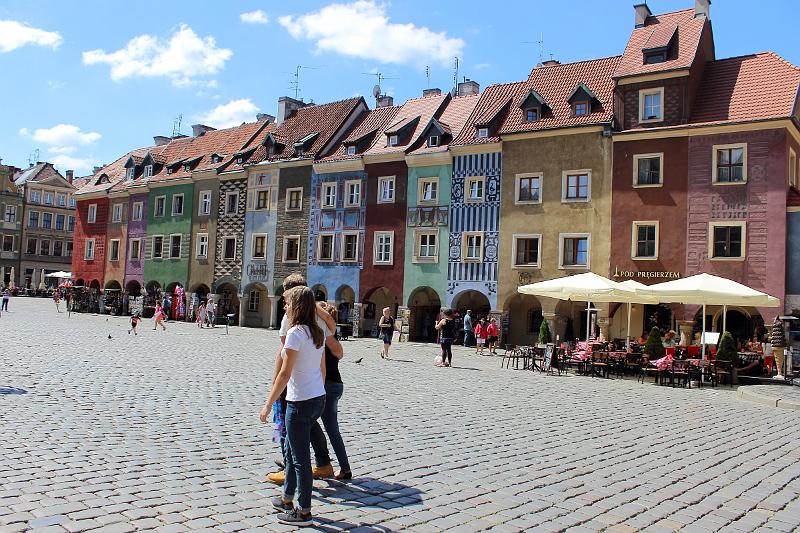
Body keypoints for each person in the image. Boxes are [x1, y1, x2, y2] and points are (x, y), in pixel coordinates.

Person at [260, 286, 327, 526]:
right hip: (317, 398)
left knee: (299, 459)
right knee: (290, 450)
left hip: (299, 402)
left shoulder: (295, 334)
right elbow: (321, 369)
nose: (285, 307)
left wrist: (268, 404)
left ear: (296, 306)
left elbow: (284, 373)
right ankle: (287, 498)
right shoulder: (317, 332)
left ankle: (304, 511)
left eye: (287, 303)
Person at [267, 274, 341, 486]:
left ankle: (290, 470)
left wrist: (275, 385)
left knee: (287, 422)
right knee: (310, 423)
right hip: (315, 382)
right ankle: (323, 462)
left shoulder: (291, 318)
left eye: (286, 298)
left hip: (295, 380)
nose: (284, 303)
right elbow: (333, 345)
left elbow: (284, 352)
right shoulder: (319, 315)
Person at [317, 302, 351, 480]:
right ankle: (344, 469)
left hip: (326, 386)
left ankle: (318, 463)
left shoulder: (325, 336)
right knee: (331, 429)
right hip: (335, 384)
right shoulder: (330, 335)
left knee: (305, 424)